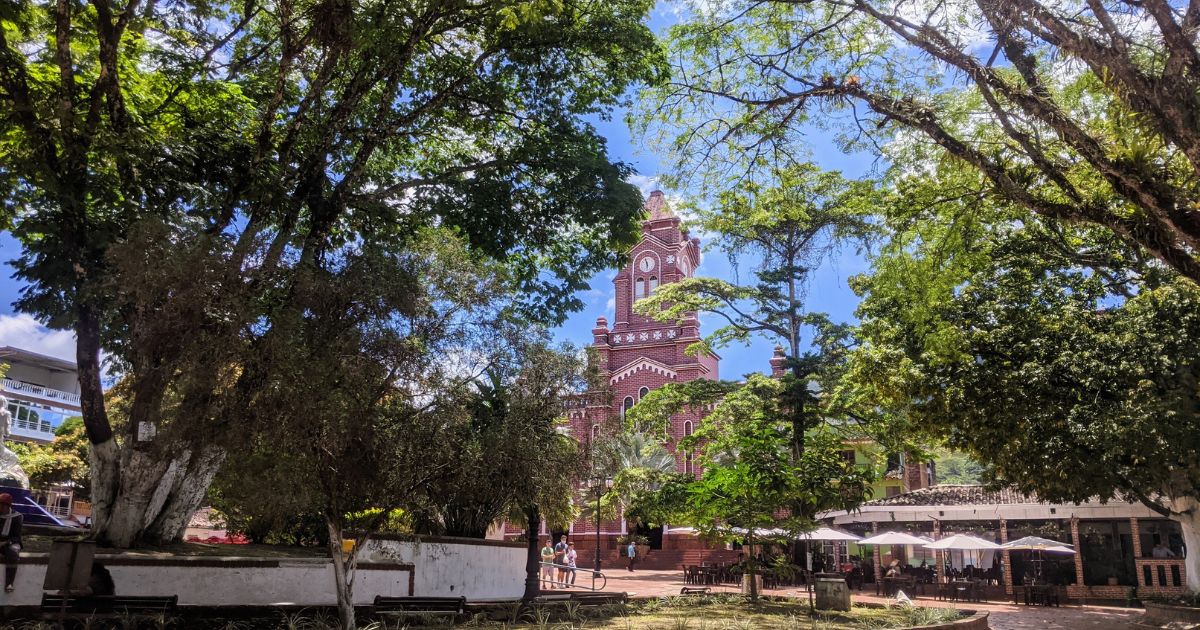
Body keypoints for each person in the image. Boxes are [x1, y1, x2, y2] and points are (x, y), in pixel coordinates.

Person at [0, 494, 21, 593]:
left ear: (7, 506)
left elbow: (16, 536)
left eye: (2, 505)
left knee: (13, 555)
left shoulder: (17, 517)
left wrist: (4, 543)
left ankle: (9, 583)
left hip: (8, 543)